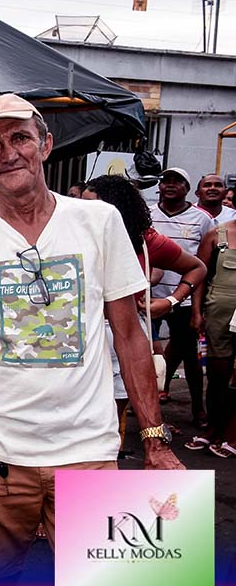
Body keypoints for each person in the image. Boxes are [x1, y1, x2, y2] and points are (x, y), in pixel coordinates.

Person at [0, 94, 183, 583]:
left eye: (20, 138)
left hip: (87, 452)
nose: (8, 153)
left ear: (46, 144)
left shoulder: (99, 221)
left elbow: (129, 335)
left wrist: (155, 440)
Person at [82, 176, 206, 452]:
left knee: (111, 420)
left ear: (116, 209)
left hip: (123, 337)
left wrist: (171, 301)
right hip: (78, 335)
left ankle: (103, 468)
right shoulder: (69, 237)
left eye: (92, 206)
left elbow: (197, 268)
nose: (82, 211)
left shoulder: (144, 240)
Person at [149, 166, 214, 425]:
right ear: (159, 187)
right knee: (146, 355)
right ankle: (147, 408)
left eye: (177, 181)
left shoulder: (202, 219)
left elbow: (204, 264)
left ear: (188, 189)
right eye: (166, 181)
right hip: (149, 298)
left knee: (189, 356)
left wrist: (198, 308)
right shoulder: (148, 214)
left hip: (184, 298)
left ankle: (198, 408)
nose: (170, 185)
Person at [189, 217, 236, 458]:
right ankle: (213, 428)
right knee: (218, 375)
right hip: (218, 314)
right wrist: (196, 312)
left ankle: (231, 435)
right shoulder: (217, 235)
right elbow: (199, 276)